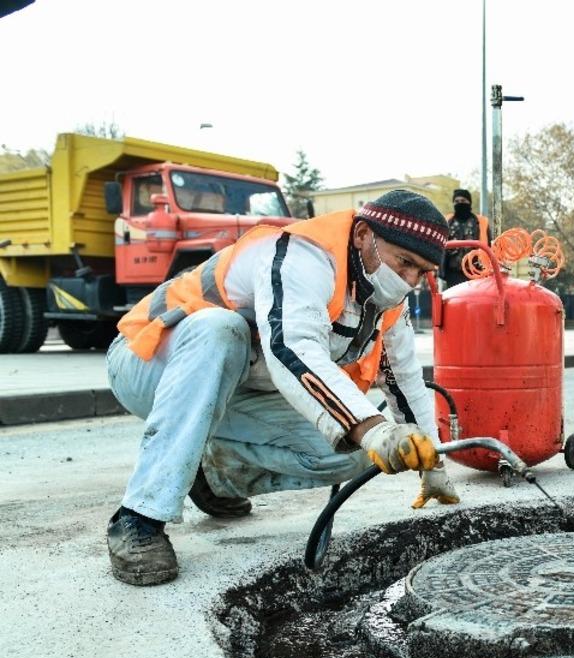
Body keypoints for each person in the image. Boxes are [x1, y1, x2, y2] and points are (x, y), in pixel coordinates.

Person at [105, 190, 459, 587]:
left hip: (237, 390)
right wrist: (373, 428)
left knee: (351, 455)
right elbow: (293, 347)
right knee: (221, 330)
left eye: (422, 272)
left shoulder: (384, 303)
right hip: (148, 361)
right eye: (405, 262)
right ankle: (139, 516)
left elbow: (406, 380)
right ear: (362, 235)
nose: (409, 280)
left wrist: (434, 465)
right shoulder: (302, 255)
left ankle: (209, 473)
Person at [440, 188, 490, 289]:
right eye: (456, 201)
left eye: (463, 201)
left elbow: (489, 245)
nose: (460, 204)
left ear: (469, 202)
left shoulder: (480, 222)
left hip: (476, 272)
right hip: (452, 273)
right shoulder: (447, 221)